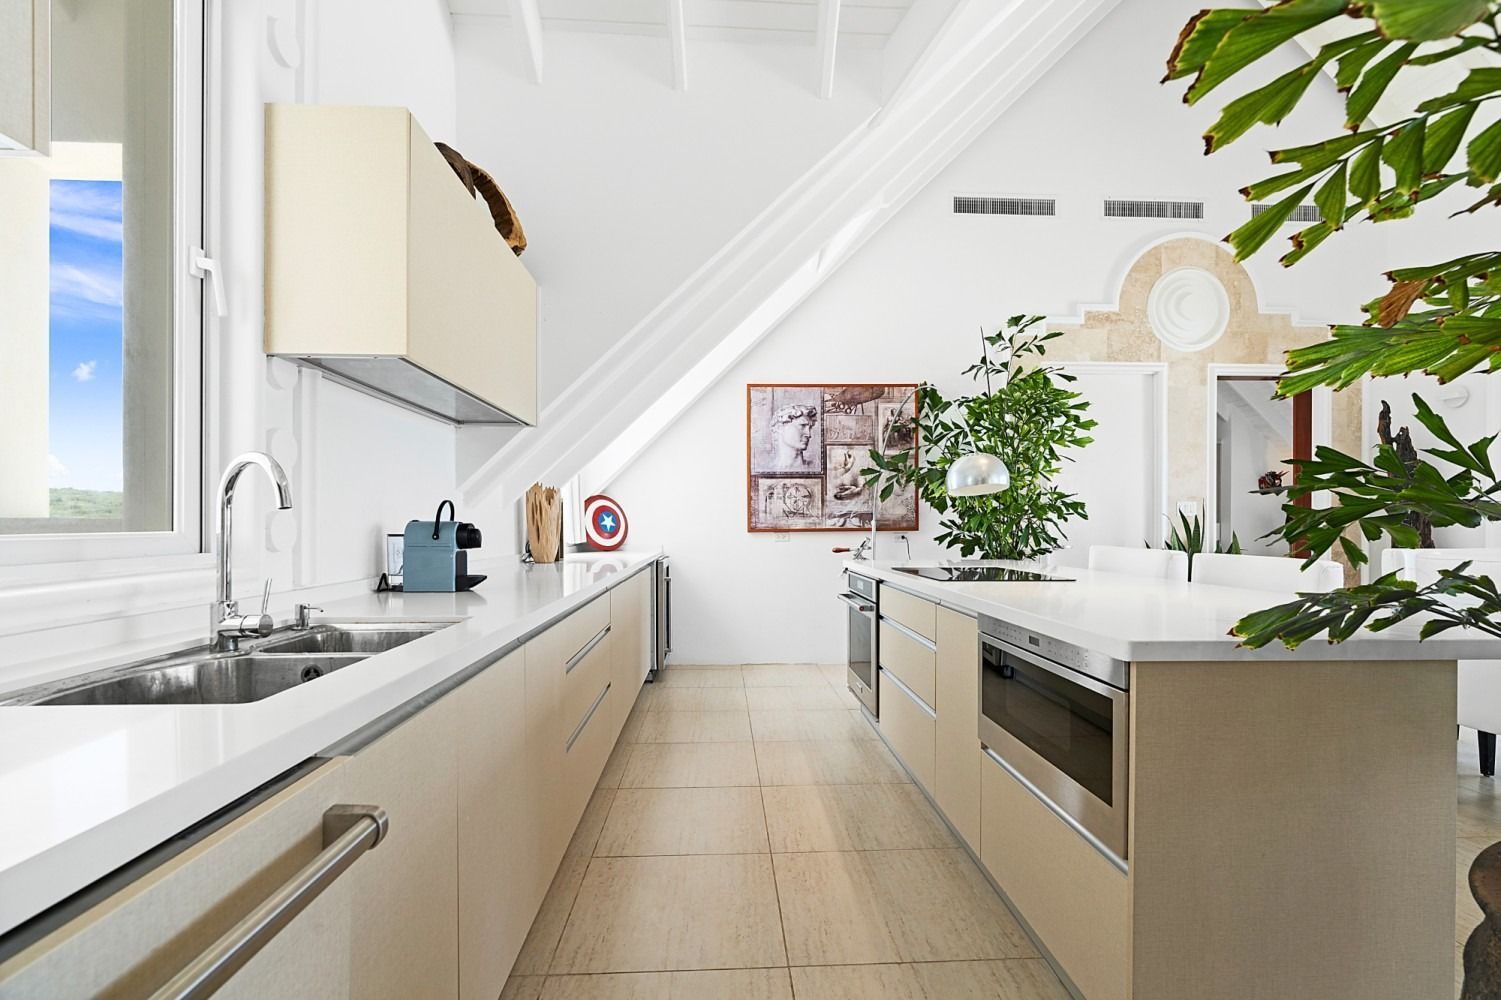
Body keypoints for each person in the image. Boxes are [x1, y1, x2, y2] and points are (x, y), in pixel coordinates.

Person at [771, 402, 818, 471]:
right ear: (780, 428)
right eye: (802, 426)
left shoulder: (814, 467)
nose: (808, 434)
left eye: (810, 428)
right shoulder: (767, 468)